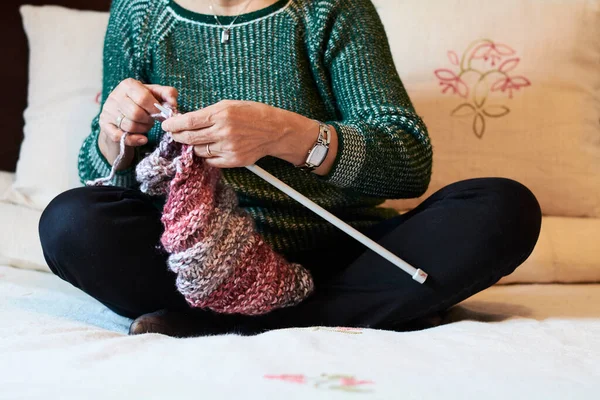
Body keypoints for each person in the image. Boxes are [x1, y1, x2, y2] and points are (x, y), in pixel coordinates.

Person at [38, 0, 542, 337]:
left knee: (503, 209)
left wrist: (288, 136)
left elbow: (408, 162)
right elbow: (106, 180)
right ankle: (362, 312)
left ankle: (212, 323)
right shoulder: (139, 13)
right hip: (197, 262)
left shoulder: (331, 10)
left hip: (344, 253)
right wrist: (114, 135)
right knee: (70, 222)